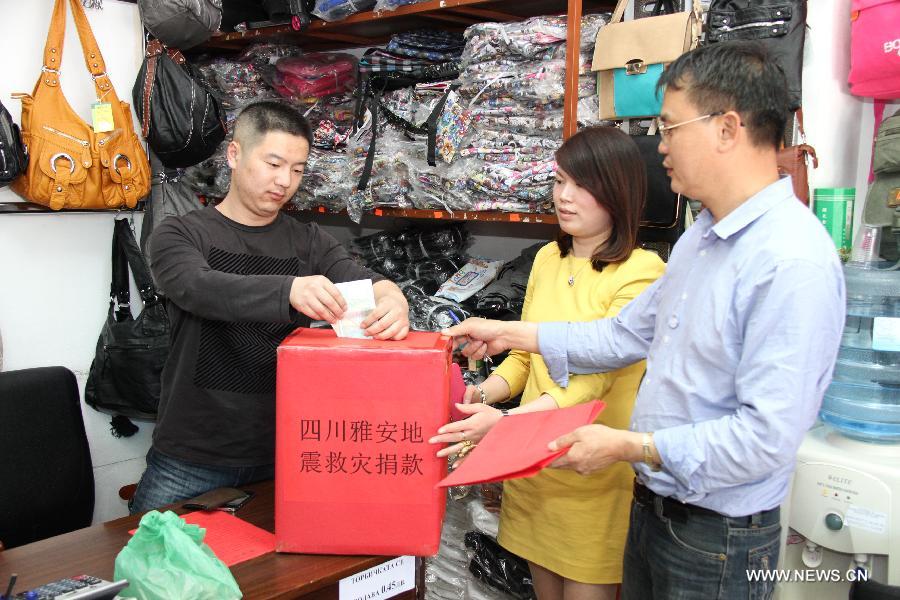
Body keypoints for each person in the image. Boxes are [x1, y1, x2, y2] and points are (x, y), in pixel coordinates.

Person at [443, 41, 845, 600]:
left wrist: (631, 446)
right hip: (653, 508)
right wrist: (507, 333)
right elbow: (623, 335)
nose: (660, 147)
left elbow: (765, 438)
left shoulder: (790, 261)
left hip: (715, 532)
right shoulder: (702, 237)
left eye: (671, 127)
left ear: (727, 129)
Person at [129, 101, 409, 514]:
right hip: (193, 454)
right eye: (274, 163)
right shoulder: (181, 233)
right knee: (152, 568)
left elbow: (354, 275)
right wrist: (288, 291)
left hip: (287, 449)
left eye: (297, 170)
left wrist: (391, 294)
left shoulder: (309, 241)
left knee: (276, 578)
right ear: (235, 154)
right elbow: (196, 287)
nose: (284, 181)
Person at [431, 127, 665, 600]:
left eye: (581, 185)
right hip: (536, 471)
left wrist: (505, 423)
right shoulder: (545, 259)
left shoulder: (643, 273)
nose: (564, 196)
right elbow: (523, 354)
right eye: (559, 182)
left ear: (618, 190)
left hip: (591, 477)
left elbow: (589, 385)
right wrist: (483, 394)